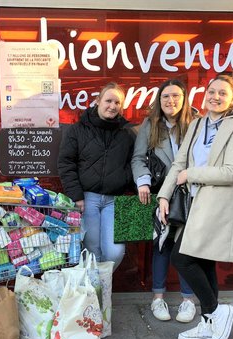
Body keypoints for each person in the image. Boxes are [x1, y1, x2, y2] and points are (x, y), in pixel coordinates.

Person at [158, 74, 233, 339]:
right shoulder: (198, 123)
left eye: (223, 93)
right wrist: (164, 196)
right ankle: (209, 323)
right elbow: (178, 163)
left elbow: (231, 172)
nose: (215, 96)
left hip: (216, 205)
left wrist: (191, 174)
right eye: (212, 91)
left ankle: (215, 311)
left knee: (182, 258)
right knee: (202, 260)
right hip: (192, 203)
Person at [131, 79, 199, 323]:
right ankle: (157, 298)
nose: (171, 101)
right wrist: (143, 181)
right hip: (161, 194)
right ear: (159, 100)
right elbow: (138, 158)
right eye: (166, 96)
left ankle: (188, 300)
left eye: (176, 96)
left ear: (184, 98)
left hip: (191, 194)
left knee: (187, 248)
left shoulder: (197, 122)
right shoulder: (150, 125)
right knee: (162, 245)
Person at [58, 82, 135, 270]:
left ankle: (98, 286)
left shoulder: (126, 133)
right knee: (92, 250)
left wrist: (126, 181)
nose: (112, 106)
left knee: (116, 252)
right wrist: (76, 195)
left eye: (117, 102)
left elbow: (135, 162)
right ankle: (99, 295)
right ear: (98, 101)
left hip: (116, 200)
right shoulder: (77, 130)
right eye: (108, 100)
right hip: (87, 199)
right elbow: (66, 163)